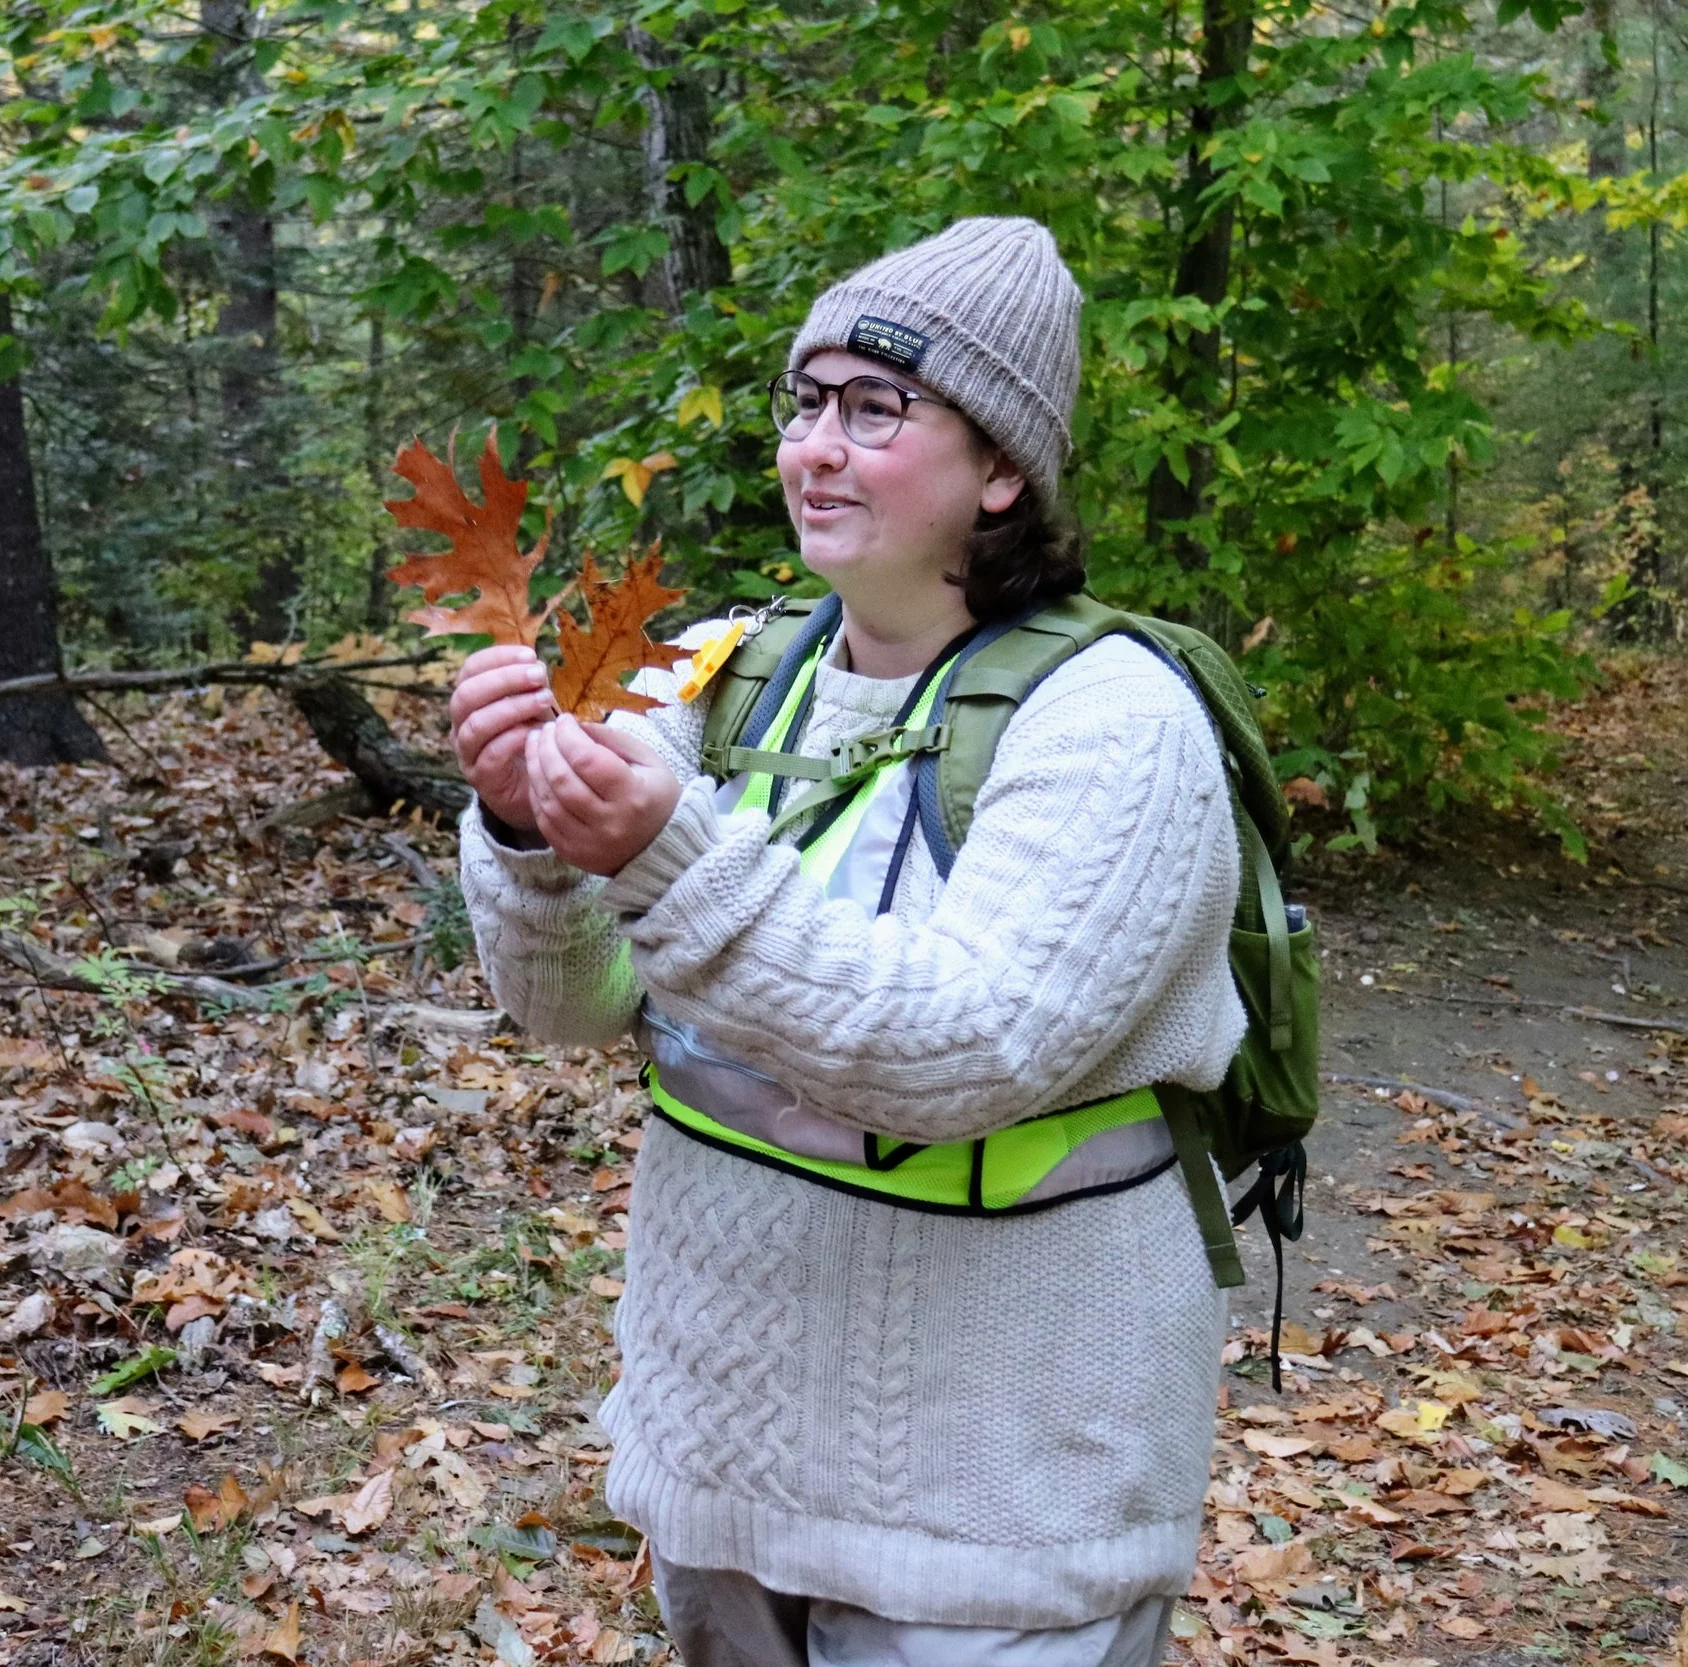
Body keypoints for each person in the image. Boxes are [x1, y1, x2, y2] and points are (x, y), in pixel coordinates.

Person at [447, 218, 1244, 1667]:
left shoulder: (1118, 722)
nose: (819, 445)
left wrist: (661, 849)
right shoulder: (719, 677)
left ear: (1003, 468)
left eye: (876, 408)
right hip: (728, 1462)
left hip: (1002, 1499)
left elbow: (965, 1045)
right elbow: (573, 1008)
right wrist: (528, 838)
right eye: (804, 402)